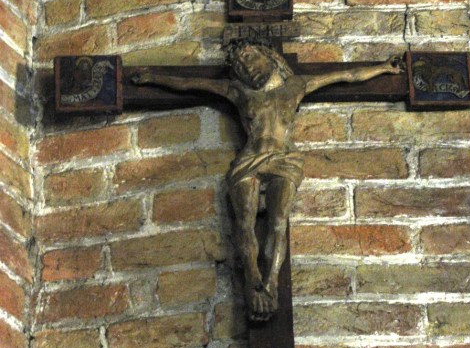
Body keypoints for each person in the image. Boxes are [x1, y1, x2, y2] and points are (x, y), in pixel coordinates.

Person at [132, 41, 403, 321]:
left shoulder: (296, 86)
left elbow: (347, 75)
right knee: (244, 222)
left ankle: (271, 283)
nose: (246, 66)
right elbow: (189, 84)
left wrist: (383, 67)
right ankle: (253, 280)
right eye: (239, 65)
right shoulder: (237, 91)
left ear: (270, 56)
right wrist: (152, 77)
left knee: (278, 222)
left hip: (284, 159)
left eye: (249, 56)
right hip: (249, 160)